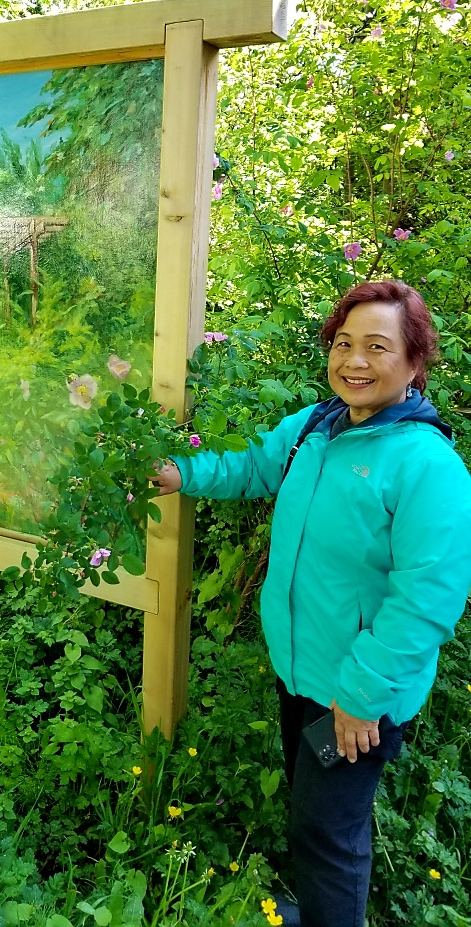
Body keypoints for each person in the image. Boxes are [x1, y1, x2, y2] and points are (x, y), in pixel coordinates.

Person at [153, 280, 471, 927]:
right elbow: (253, 469)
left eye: (377, 347)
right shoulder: (315, 427)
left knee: (326, 832)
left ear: (414, 364)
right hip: (302, 674)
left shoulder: (426, 465)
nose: (354, 360)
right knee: (314, 811)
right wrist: (181, 475)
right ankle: (325, 911)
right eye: (344, 343)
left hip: (356, 697)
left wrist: (360, 696)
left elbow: (428, 600)